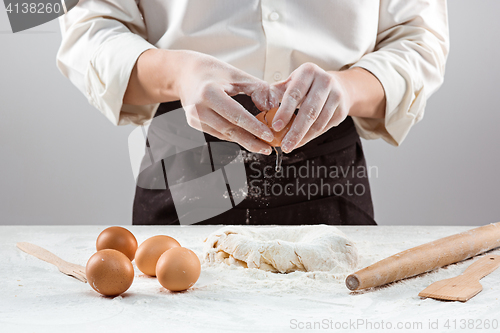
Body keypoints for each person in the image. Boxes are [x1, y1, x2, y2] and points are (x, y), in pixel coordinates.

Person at [57, 0, 449, 226]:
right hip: (187, 151)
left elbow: (418, 39)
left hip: (325, 158)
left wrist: (347, 88)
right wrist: (180, 73)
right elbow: (91, 28)